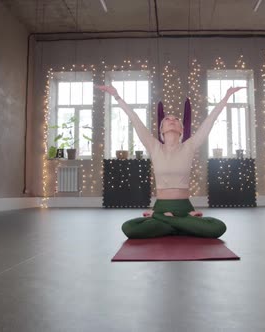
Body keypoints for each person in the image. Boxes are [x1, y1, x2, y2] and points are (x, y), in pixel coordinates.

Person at [97, 85, 245, 239]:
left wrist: (227, 97)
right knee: (129, 228)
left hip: (185, 208)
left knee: (218, 228)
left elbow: (210, 120)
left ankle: (168, 222)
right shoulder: (154, 147)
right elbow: (134, 118)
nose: (172, 120)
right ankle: (183, 224)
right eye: (167, 119)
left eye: (176, 119)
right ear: (161, 130)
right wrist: (116, 96)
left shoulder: (189, 146)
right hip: (161, 207)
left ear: (181, 129)